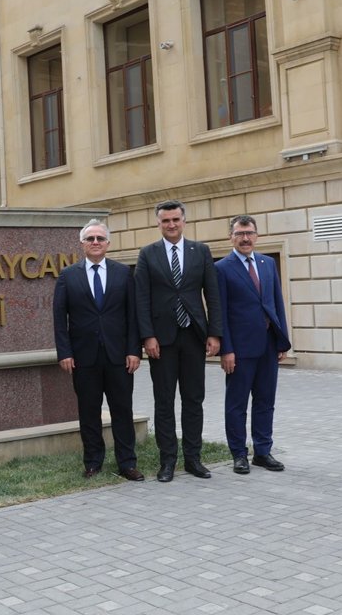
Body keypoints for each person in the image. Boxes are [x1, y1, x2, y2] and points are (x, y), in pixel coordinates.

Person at [134, 200, 222, 483]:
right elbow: (142, 298)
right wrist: (147, 336)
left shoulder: (201, 251)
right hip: (162, 340)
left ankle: (193, 459)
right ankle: (168, 461)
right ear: (158, 223)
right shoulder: (148, 254)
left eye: (175, 219)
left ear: (184, 221)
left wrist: (214, 333)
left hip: (194, 335)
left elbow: (213, 294)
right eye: (165, 221)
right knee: (164, 401)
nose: (171, 225)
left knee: (194, 399)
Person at [53, 219, 144, 481]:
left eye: (100, 239)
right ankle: (93, 461)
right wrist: (65, 352)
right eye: (90, 239)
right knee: (89, 412)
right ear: (82, 244)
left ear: (108, 244)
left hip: (119, 356)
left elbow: (132, 315)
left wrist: (134, 350)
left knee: (122, 411)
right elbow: (60, 318)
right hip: (83, 358)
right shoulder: (68, 275)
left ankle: (127, 463)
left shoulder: (123, 273)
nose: (95, 243)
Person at [216, 215, 291, 475]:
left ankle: (262, 451)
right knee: (236, 404)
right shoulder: (222, 268)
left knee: (265, 401)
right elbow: (221, 312)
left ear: (256, 235)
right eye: (239, 234)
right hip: (239, 349)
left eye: (249, 233)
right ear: (231, 237)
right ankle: (239, 454)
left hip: (268, 346)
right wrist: (227, 349)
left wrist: (282, 340)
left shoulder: (268, 263)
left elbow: (276, 303)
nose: (245, 238)